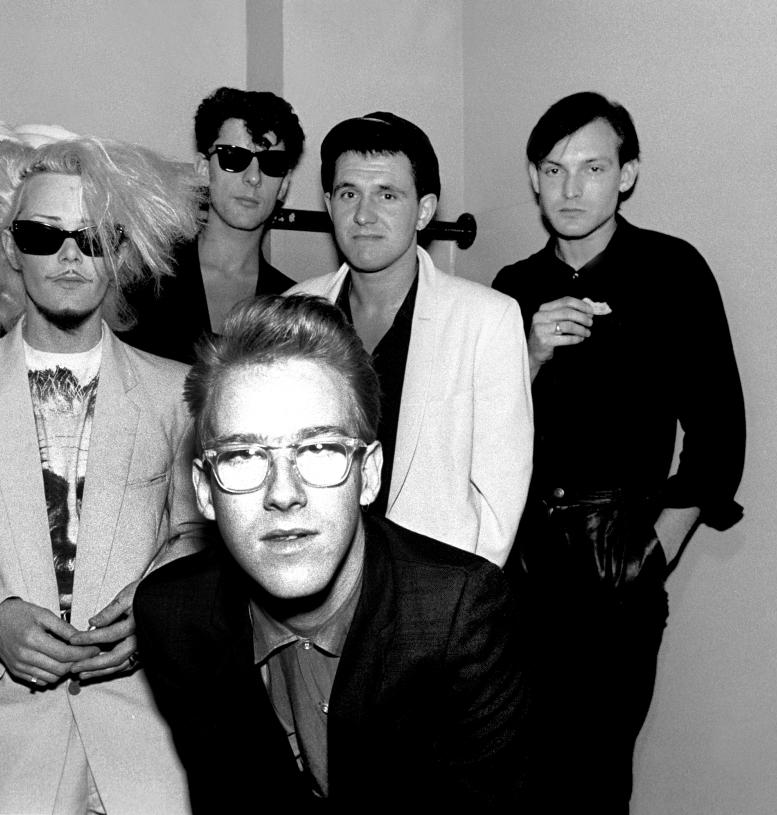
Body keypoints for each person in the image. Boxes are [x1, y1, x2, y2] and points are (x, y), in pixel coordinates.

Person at [0, 135, 207, 813]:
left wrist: (159, 617)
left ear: (123, 251)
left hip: (151, 743)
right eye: (42, 234)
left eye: (94, 236)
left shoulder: (182, 395)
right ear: (9, 249)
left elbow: (197, 540)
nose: (70, 255)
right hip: (7, 751)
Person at [133, 294, 532, 811]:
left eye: (319, 450)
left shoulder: (459, 616)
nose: (283, 492)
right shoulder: (173, 616)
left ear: (368, 475)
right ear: (205, 491)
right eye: (243, 455)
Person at [492, 91, 747, 813]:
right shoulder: (512, 288)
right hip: (517, 571)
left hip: (618, 564)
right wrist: (530, 354)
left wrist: (651, 555)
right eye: (553, 168)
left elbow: (719, 434)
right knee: (512, 777)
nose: (570, 188)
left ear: (626, 174)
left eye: (592, 167)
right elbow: (478, 432)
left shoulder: (672, 270)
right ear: (534, 177)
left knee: (594, 781)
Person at [288, 112, 532, 567]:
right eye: (348, 193)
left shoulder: (487, 319)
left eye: (387, 195)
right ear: (329, 203)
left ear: (423, 209)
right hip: (313, 578)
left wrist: (456, 609)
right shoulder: (294, 310)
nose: (363, 214)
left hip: (435, 593)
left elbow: (501, 496)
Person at [119, 86, 304, 363]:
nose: (253, 177)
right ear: (204, 169)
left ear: (284, 185)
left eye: (271, 164)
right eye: (234, 158)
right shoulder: (145, 279)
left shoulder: (292, 304)